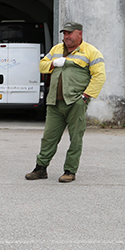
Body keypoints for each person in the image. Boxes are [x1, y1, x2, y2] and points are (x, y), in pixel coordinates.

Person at [25, 21, 106, 182]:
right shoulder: (56, 49)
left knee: (75, 138)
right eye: (64, 33)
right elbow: (42, 66)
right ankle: (41, 169)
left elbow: (99, 76)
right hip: (55, 101)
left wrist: (85, 97)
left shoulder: (91, 52)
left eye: (69, 33)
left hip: (76, 101)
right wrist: (54, 63)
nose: (66, 36)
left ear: (79, 34)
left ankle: (70, 171)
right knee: (49, 137)